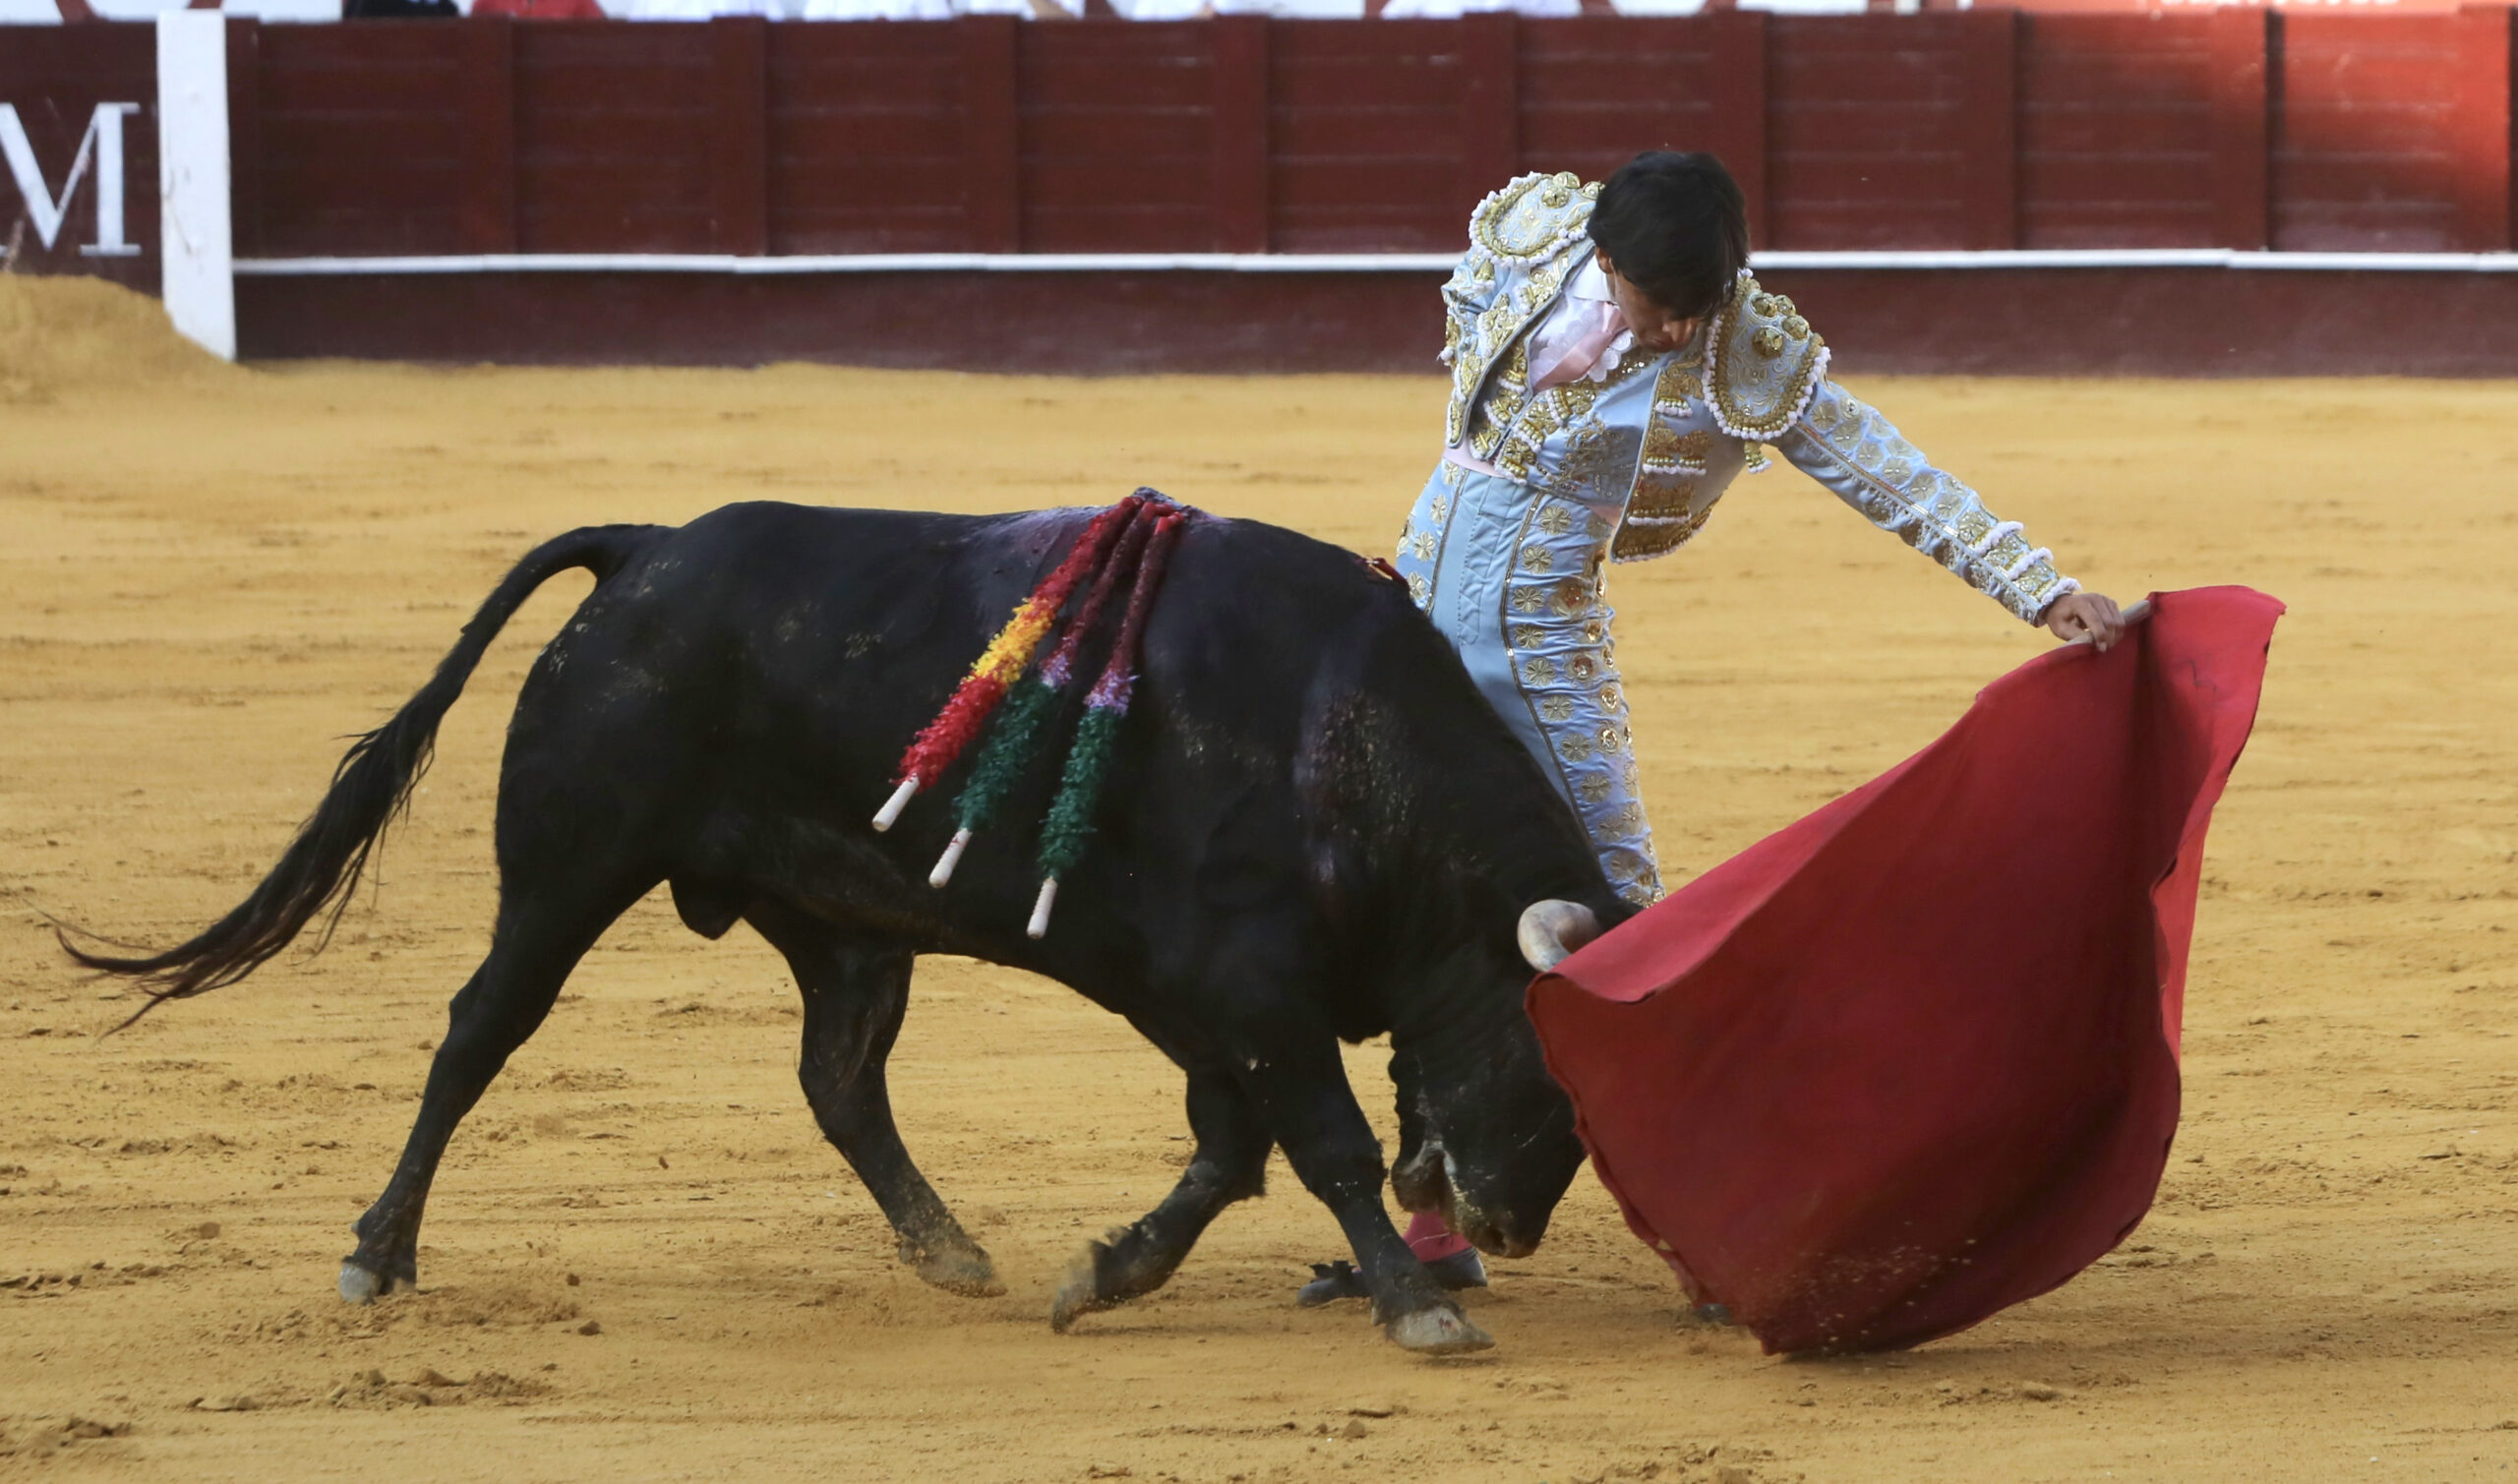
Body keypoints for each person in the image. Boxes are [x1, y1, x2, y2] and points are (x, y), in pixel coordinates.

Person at [1296, 149, 2126, 1308]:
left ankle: (1709, 1223)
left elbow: (1882, 470)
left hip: (1540, 649)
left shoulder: (1747, 347)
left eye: (1705, 301)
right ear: (1602, 259)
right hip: (1409, 633)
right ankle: (1432, 1226)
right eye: (1656, 304)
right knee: (1413, 910)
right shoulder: (1532, 235)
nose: (1682, 328)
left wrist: (2038, 586)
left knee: (1625, 930)